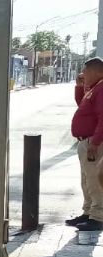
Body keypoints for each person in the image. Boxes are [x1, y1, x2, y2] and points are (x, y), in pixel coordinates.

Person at [68, 58, 103, 231]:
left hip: (93, 142)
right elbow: (82, 106)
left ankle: (98, 216)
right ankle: (88, 212)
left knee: (94, 180)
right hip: (84, 140)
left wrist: (95, 142)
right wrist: (79, 86)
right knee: (86, 180)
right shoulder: (94, 88)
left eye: (86, 71)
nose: (83, 74)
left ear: (98, 72)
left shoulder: (102, 88)